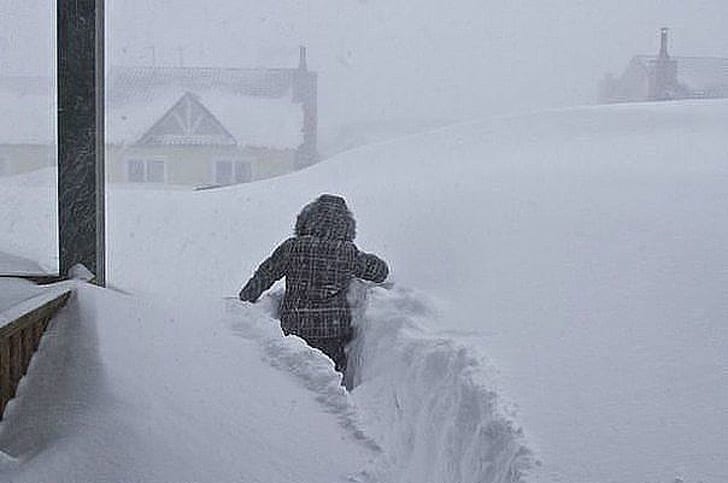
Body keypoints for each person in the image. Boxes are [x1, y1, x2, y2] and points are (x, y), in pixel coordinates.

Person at [238, 194, 389, 380]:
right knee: (329, 382)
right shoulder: (348, 253)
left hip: (295, 329)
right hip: (333, 333)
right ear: (346, 226)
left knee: (294, 382)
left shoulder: (292, 248)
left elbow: (264, 276)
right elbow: (380, 272)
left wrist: (244, 300)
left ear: (306, 220)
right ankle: (334, 403)